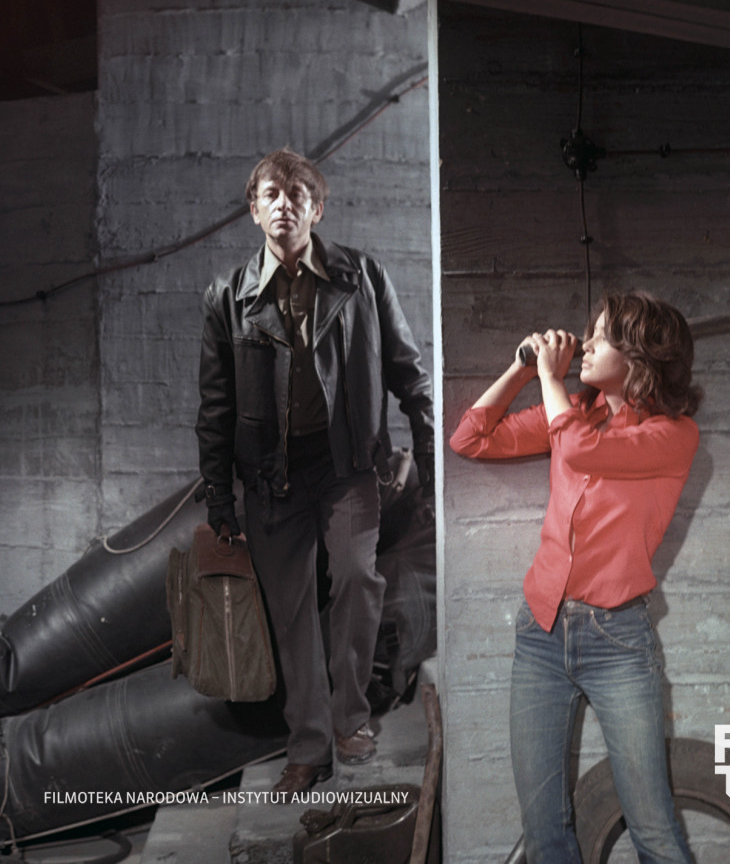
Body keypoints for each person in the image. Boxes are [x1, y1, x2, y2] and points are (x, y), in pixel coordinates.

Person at [195, 149, 434, 795]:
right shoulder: (228, 297)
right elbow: (215, 407)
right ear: (253, 210)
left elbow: (410, 375)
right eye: (271, 194)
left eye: (297, 194)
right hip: (271, 477)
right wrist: (219, 496)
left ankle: (349, 718)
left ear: (317, 209)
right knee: (290, 611)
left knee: (357, 578)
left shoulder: (362, 278)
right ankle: (308, 746)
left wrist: (428, 462)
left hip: (347, 465)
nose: (284, 204)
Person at [450, 290, 701, 864]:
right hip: (540, 632)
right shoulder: (575, 413)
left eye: (602, 336)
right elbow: (470, 438)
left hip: (618, 642)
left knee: (654, 831)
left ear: (639, 357)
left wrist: (548, 374)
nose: (585, 344)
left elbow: (581, 452)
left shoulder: (673, 434)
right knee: (544, 836)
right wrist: (522, 369)